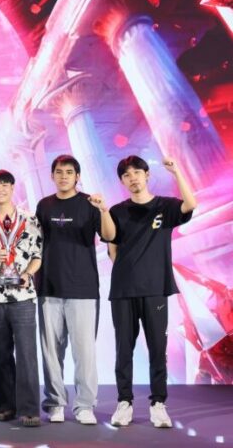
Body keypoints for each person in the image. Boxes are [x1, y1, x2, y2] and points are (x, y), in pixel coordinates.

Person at [107, 155, 196, 428]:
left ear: (146, 175)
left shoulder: (165, 207)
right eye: (126, 175)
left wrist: (177, 171)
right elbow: (112, 248)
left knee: (158, 348)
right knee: (124, 349)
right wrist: (128, 272)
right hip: (123, 291)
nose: (132, 178)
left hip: (155, 289)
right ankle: (124, 402)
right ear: (122, 181)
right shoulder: (117, 211)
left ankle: (158, 404)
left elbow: (190, 204)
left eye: (137, 172)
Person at [35, 155, 115, 425]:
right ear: (52, 176)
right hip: (49, 287)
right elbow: (35, 243)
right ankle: (55, 403)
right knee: (51, 352)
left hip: (83, 288)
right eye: (59, 172)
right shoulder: (44, 205)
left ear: (77, 176)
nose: (64, 176)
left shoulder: (90, 203)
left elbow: (109, 235)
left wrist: (104, 210)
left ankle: (84, 405)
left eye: (69, 172)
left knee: (84, 352)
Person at [0, 169, 43, 427]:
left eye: (5, 185)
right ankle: (5, 405)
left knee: (27, 353)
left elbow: (38, 255)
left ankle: (29, 409)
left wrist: (28, 274)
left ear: (12, 187)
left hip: (23, 294)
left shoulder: (30, 219)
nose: (0, 189)